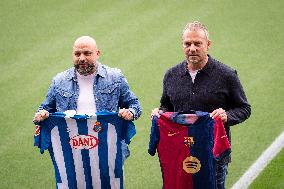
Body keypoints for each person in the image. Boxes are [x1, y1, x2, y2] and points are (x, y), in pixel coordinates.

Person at [151, 21, 251, 189]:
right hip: (181, 154)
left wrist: (227, 116)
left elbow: (244, 109)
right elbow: (167, 106)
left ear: (208, 45)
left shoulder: (227, 75)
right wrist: (159, 113)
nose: (192, 48)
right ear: (182, 45)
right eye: (187, 43)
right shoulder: (171, 75)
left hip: (214, 155)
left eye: (197, 43)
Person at [33, 35, 142, 159]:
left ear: (97, 53)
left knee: (108, 178)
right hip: (72, 148)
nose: (82, 58)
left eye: (87, 53)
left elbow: (135, 105)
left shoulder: (115, 77)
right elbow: (43, 109)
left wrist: (130, 113)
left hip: (108, 148)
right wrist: (41, 115)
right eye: (77, 54)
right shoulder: (59, 81)